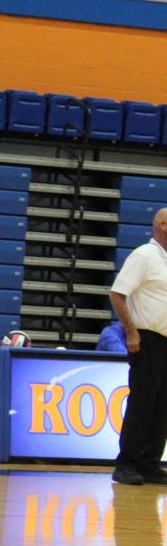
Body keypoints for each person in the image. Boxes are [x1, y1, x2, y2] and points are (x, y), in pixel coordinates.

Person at [107, 207, 167, 486]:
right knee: (143, 402)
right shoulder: (145, 255)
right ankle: (126, 463)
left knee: (162, 404)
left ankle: (149, 463)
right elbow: (117, 294)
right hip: (147, 338)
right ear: (164, 226)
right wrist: (131, 332)